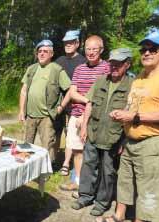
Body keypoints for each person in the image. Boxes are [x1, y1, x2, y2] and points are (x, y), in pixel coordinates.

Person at [96, 32, 159, 222]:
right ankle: (119, 216)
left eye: (152, 48)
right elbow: (133, 107)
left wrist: (134, 117)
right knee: (124, 181)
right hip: (132, 140)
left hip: (153, 142)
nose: (146, 53)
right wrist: (124, 122)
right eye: (143, 49)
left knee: (147, 187)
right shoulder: (140, 78)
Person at [70, 48, 134, 216]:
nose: (114, 67)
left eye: (118, 64)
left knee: (108, 171)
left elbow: (132, 115)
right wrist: (84, 126)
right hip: (94, 131)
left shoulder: (131, 86)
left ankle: (102, 202)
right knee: (88, 165)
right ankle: (85, 196)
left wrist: (124, 140)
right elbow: (89, 103)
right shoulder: (100, 81)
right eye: (112, 63)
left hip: (114, 136)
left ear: (127, 65)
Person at [58, 35, 110, 191]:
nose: (91, 52)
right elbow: (72, 92)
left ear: (101, 50)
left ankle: (94, 187)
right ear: (84, 49)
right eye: (88, 49)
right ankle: (79, 183)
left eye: (95, 49)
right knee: (77, 150)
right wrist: (87, 102)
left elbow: (105, 94)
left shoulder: (107, 68)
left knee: (95, 154)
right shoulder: (80, 68)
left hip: (96, 117)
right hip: (76, 114)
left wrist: (87, 113)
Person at [18, 39, 71, 161]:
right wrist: (21, 110)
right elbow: (24, 90)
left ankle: (47, 170)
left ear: (51, 54)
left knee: (48, 146)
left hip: (47, 116)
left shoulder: (57, 70)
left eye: (45, 51)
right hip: (30, 115)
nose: (41, 54)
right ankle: (26, 165)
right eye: (39, 51)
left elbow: (70, 90)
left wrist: (61, 107)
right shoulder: (31, 69)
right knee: (26, 143)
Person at [55, 30, 87, 176]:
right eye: (65, 42)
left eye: (71, 42)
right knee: (56, 131)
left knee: (72, 133)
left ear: (77, 43)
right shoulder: (59, 61)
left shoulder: (83, 61)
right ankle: (54, 159)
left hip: (76, 103)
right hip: (59, 102)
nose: (68, 45)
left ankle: (67, 163)